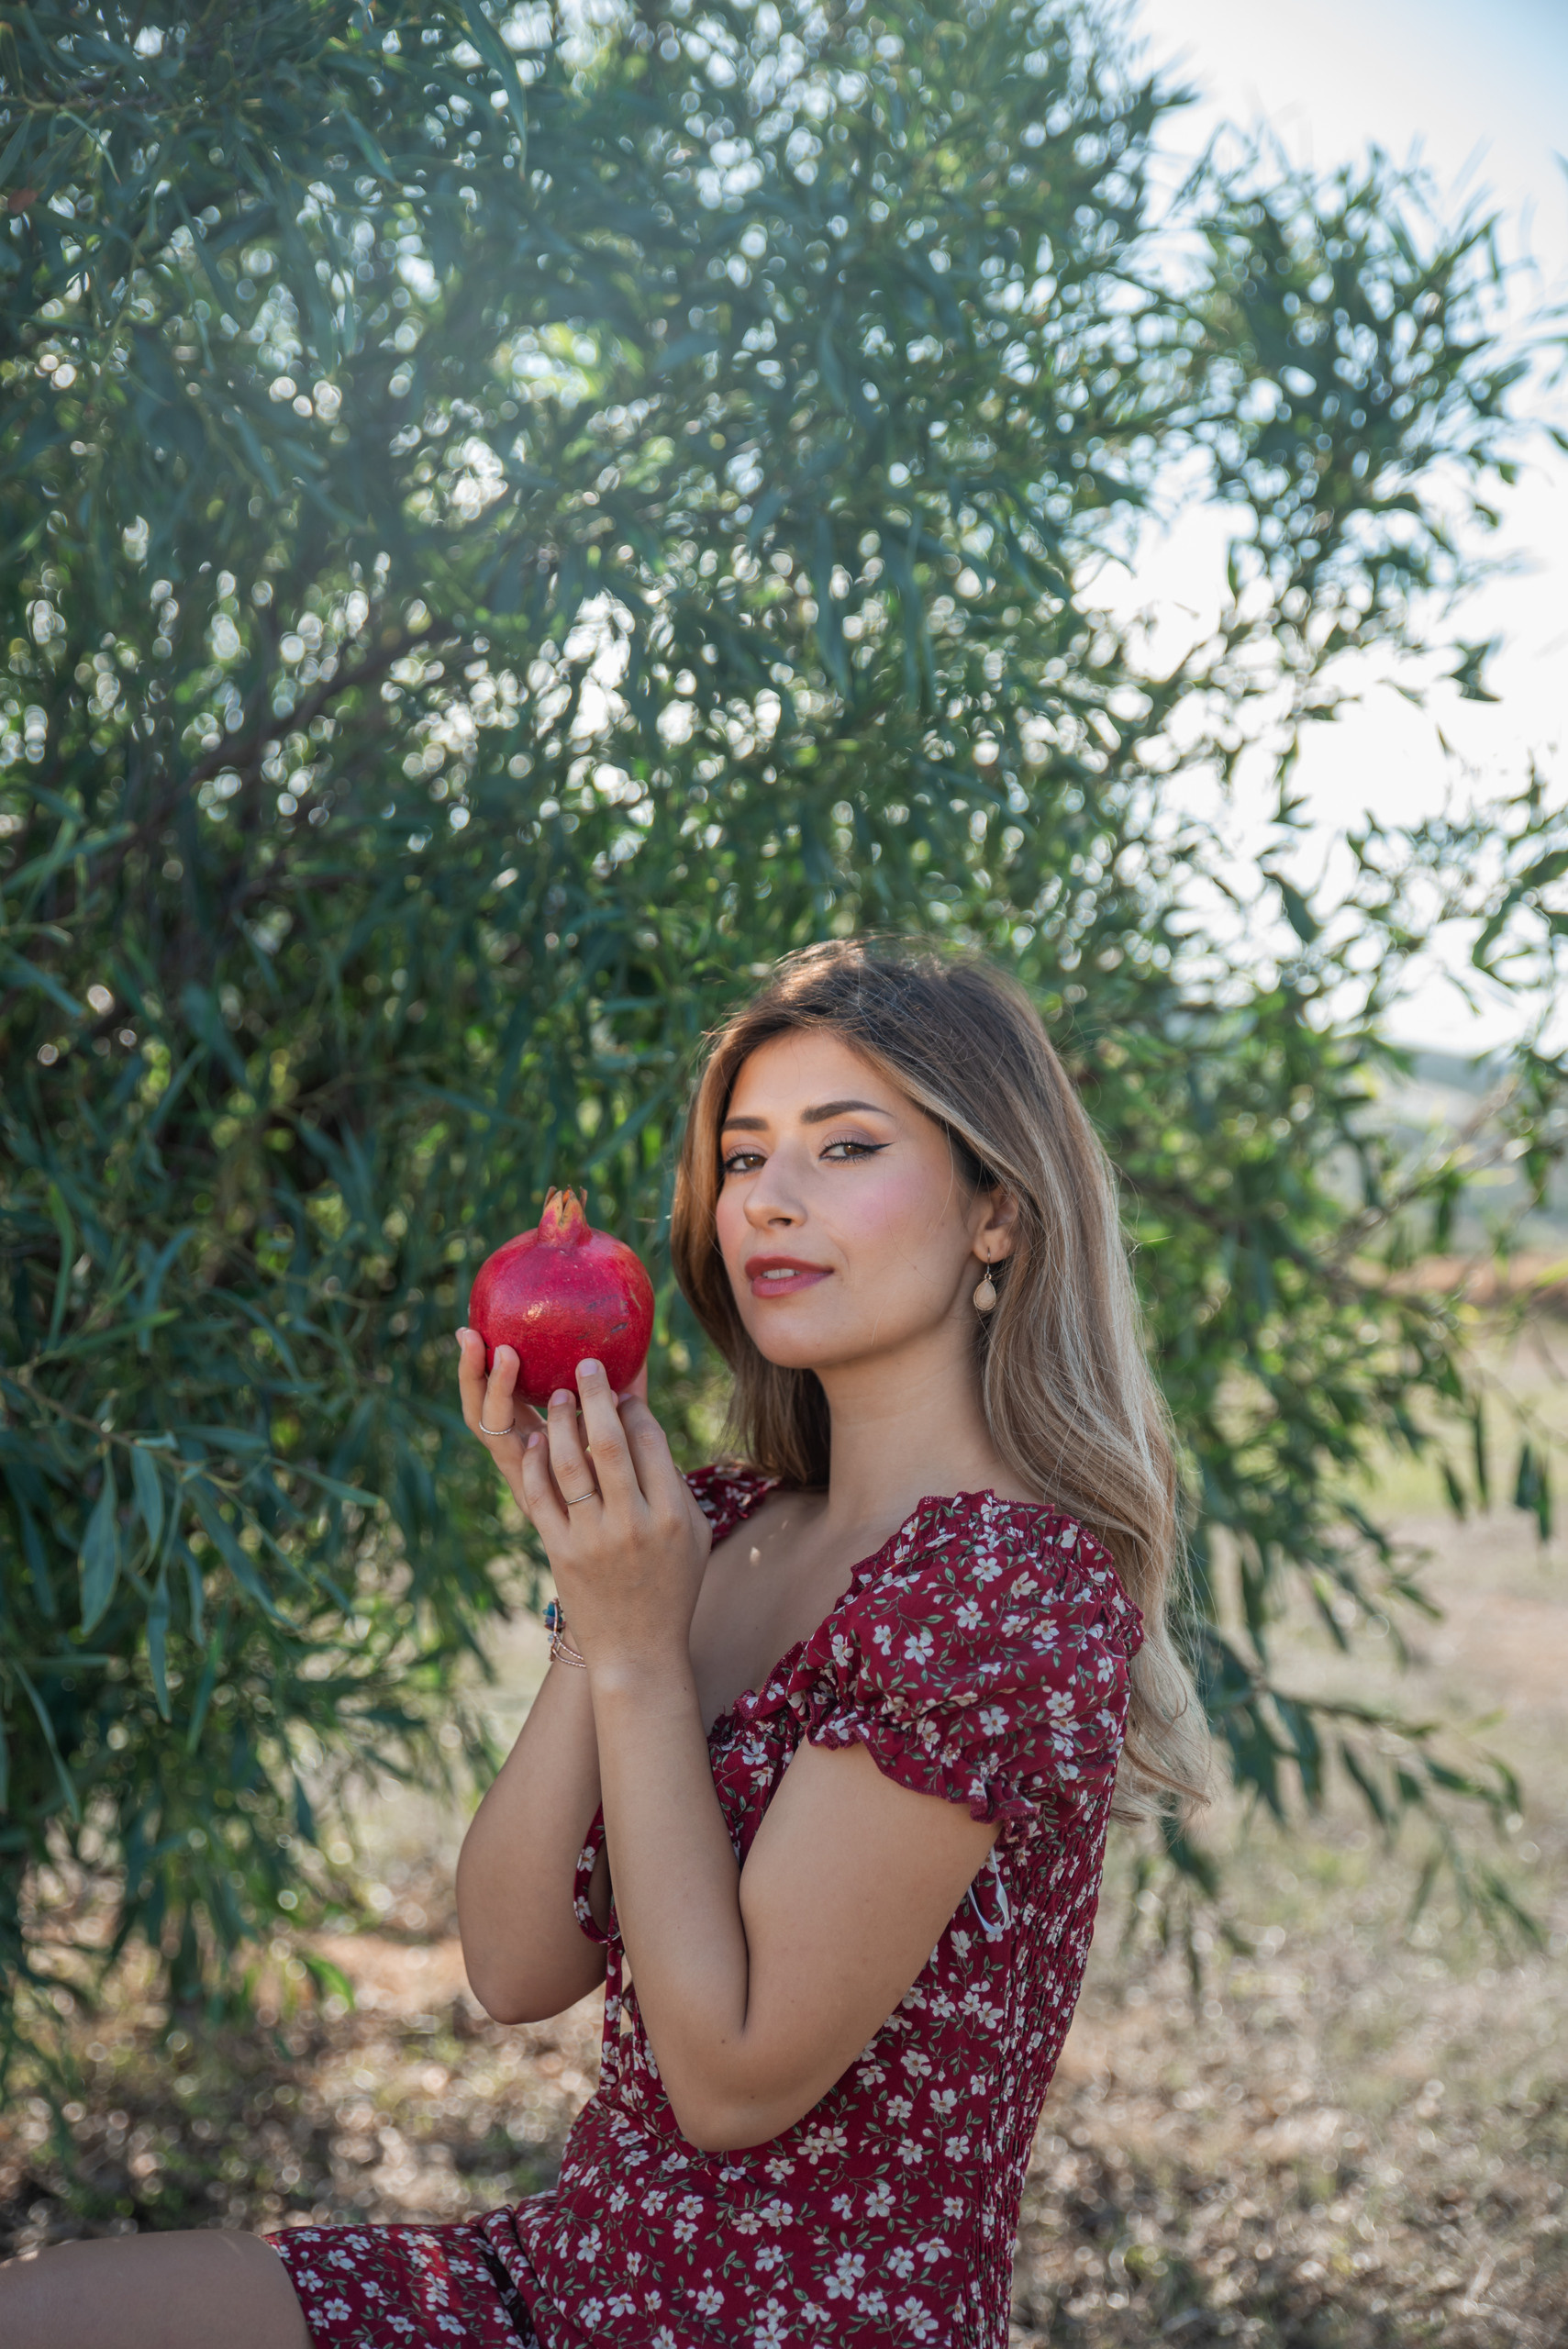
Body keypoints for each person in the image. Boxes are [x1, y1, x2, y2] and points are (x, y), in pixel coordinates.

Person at [2, 938, 1207, 2349]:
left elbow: (732, 2082)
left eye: (844, 1146)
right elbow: (515, 1969)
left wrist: (639, 1646)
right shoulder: (721, 1527)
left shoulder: (1004, 1587)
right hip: (574, 2281)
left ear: (996, 1211)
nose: (771, 1201)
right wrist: (600, 1599)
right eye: (745, 1158)